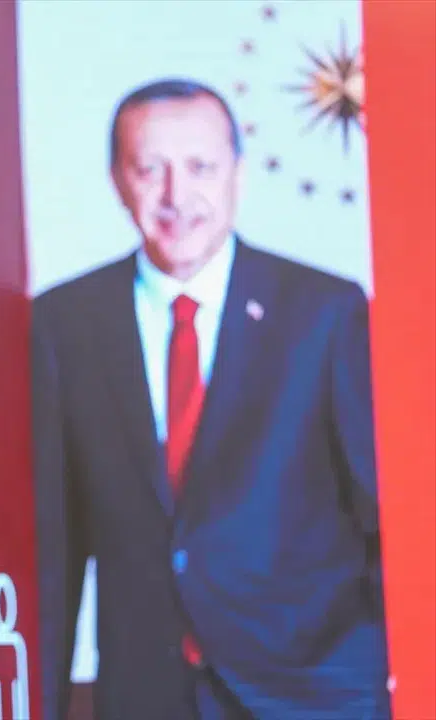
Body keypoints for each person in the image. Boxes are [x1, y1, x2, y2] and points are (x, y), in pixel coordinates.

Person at [31, 78, 391, 720]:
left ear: (237, 176)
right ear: (117, 181)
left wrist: (381, 675)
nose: (176, 196)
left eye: (200, 167)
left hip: (315, 695)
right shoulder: (64, 322)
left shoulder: (326, 312)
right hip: (145, 698)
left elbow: (381, 516)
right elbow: (54, 553)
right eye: (150, 169)